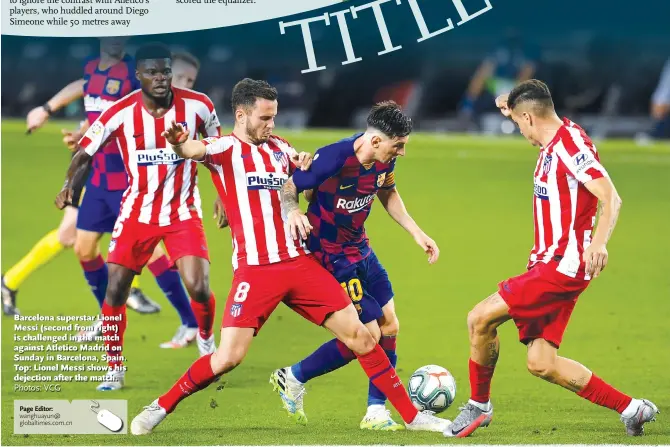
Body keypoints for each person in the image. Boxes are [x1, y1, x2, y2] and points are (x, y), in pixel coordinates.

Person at [129, 78, 450, 435]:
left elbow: (304, 181)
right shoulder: (223, 149)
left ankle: (410, 416)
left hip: (301, 264)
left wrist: (303, 171)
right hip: (256, 271)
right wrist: (177, 143)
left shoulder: (281, 148)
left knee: (363, 336)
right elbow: (191, 149)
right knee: (228, 358)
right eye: (265, 118)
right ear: (241, 114)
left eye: (275, 117)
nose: (272, 125)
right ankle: (160, 406)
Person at [443, 79, 659, 438]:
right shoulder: (554, 134)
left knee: (479, 319)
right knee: (541, 363)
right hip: (548, 263)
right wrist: (508, 102)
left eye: (517, 123)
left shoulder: (571, 146)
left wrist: (599, 243)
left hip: (563, 266)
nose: (519, 130)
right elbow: (524, 107)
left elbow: (611, 197)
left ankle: (479, 406)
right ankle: (632, 408)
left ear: (528, 118)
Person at [55, 43, 221, 391]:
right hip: (136, 214)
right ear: (138, 75)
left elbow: (219, 152)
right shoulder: (119, 112)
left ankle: (206, 339)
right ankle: (114, 368)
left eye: (165, 71)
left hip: (182, 213)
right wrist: (70, 186)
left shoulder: (199, 105)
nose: (160, 78)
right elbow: (85, 151)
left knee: (199, 287)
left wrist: (224, 197)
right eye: (152, 72)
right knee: (115, 291)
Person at [269, 101, 440, 431]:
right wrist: (292, 211)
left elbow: (388, 193)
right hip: (332, 256)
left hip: (362, 249)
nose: (402, 153)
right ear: (376, 141)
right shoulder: (334, 158)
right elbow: (290, 185)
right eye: (399, 145)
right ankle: (294, 377)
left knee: (390, 326)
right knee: (368, 334)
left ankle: (375, 411)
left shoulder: (382, 161)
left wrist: (417, 233)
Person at [2, 37, 160, 316]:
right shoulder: (93, 68)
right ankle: (131, 290)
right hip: (94, 163)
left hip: (115, 163)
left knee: (78, 233)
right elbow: (88, 90)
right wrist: (48, 109)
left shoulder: (133, 73)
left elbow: (126, 111)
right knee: (125, 230)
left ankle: (9, 282)